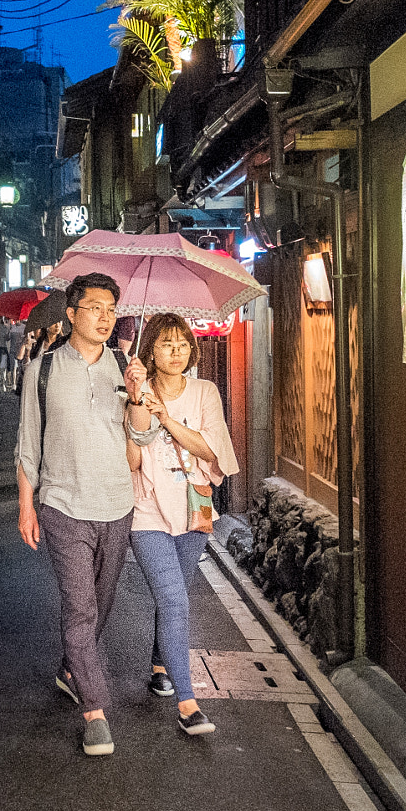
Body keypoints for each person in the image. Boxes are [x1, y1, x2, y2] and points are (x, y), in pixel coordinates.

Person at [15, 272, 162, 758]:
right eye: (94, 307)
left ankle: (69, 669)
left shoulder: (126, 366)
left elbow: (141, 437)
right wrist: (25, 504)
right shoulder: (44, 369)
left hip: (117, 504)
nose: (104, 316)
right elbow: (27, 444)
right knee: (80, 607)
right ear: (71, 314)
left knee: (99, 604)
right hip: (63, 504)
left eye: (111, 309)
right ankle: (96, 712)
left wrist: (138, 394)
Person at [125, 313, 239, 737]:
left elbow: (211, 449)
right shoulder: (136, 389)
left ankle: (160, 666)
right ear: (149, 351)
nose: (177, 353)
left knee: (176, 593)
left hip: (195, 505)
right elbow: (134, 457)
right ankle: (188, 703)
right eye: (166, 345)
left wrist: (168, 418)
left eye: (183, 344)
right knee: (174, 600)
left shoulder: (205, 392)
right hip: (149, 509)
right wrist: (139, 403)